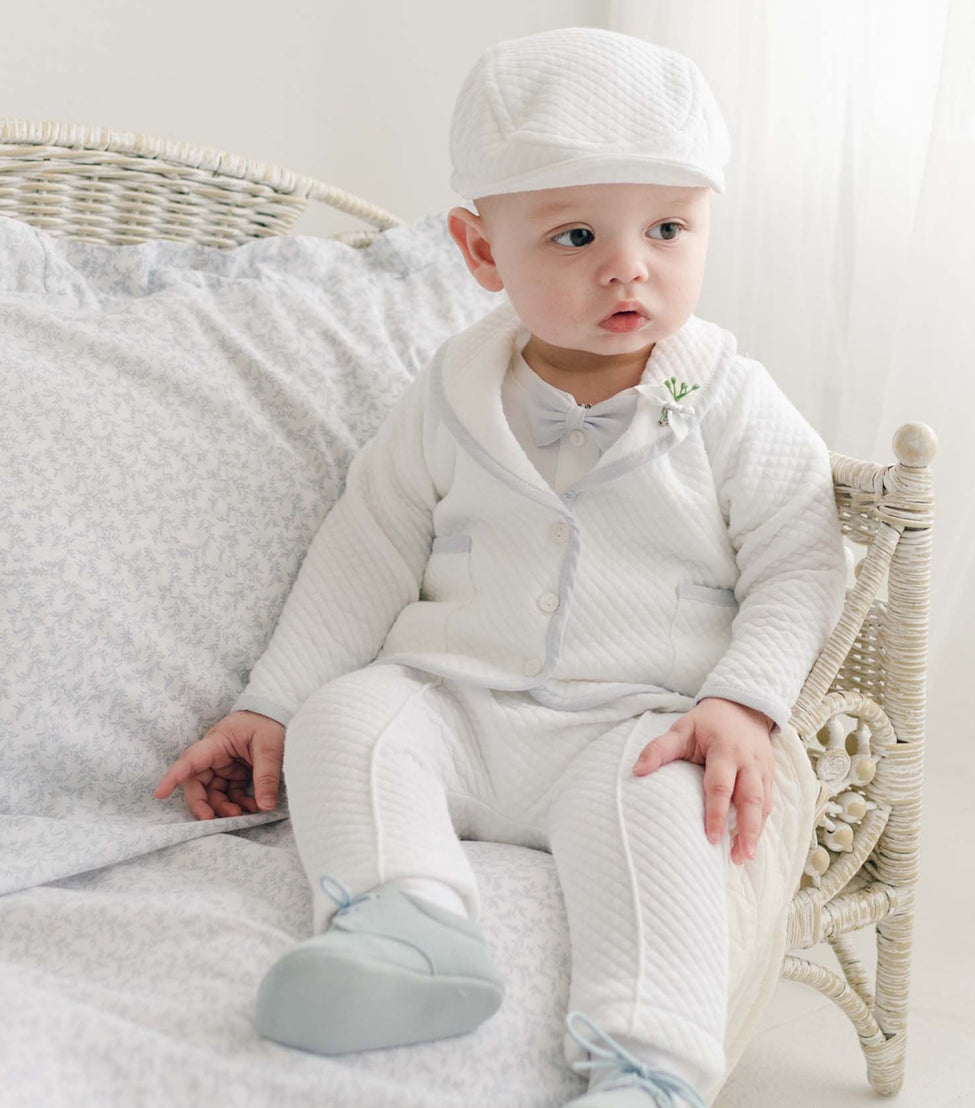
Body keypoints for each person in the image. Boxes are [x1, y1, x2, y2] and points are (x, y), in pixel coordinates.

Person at [154, 26, 846, 1108]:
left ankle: (646, 1063)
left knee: (674, 826)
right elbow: (369, 541)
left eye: (669, 227)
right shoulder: (452, 392)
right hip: (459, 700)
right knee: (352, 719)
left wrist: (740, 702)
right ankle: (409, 927)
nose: (630, 264)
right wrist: (274, 703)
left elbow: (801, 556)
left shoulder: (727, 397)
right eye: (575, 235)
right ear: (481, 252)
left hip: (636, 724)